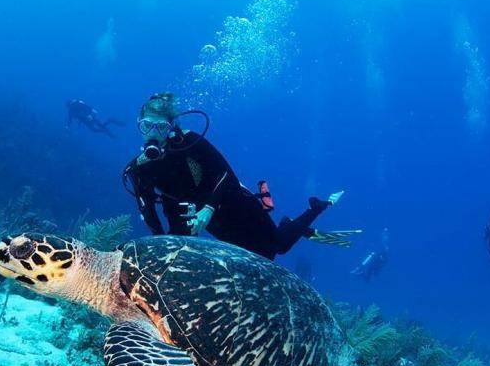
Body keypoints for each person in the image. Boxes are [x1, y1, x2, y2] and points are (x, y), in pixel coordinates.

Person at [122, 92, 359, 261]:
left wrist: (208, 208)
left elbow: (224, 173)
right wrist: (160, 244)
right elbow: (149, 211)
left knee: (276, 248)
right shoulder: (139, 169)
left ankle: (316, 207)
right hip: (209, 219)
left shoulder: (190, 142)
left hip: (234, 202)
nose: (154, 134)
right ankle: (287, 225)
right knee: (249, 257)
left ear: (171, 126)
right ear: (138, 126)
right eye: (147, 126)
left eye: (161, 127)